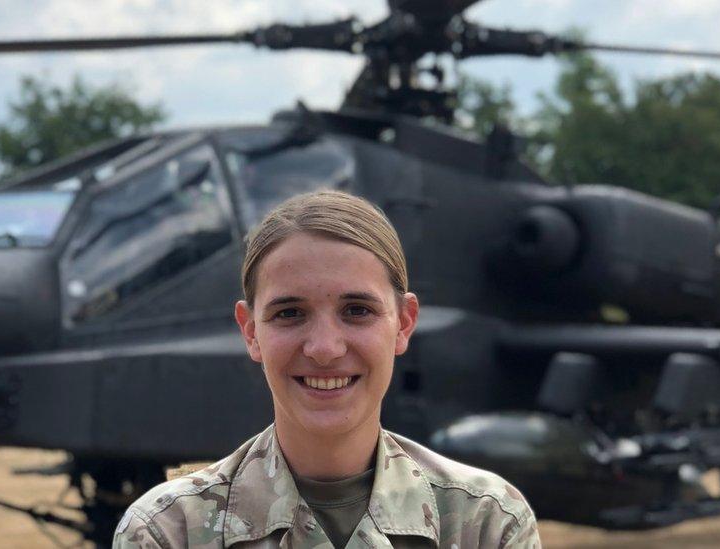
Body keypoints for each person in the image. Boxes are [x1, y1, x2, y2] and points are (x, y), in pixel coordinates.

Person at [113, 190, 541, 548]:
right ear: (250, 331)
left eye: (357, 310)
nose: (324, 349)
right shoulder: (168, 531)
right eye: (289, 313)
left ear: (404, 323)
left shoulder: (486, 523)